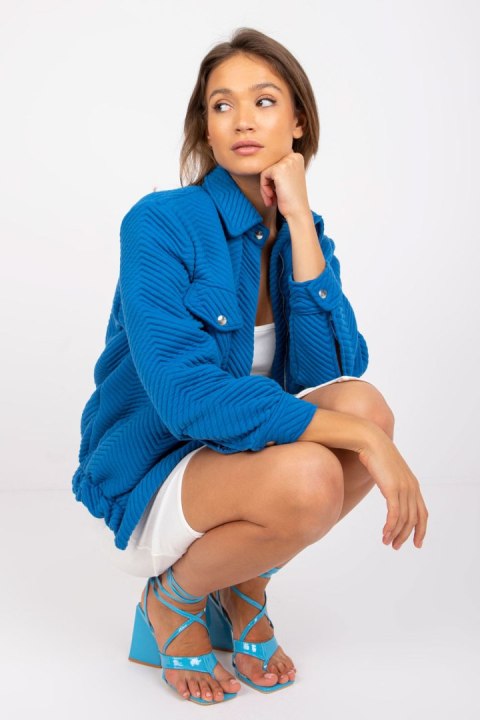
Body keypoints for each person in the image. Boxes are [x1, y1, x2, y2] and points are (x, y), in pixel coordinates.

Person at [72, 27, 429, 705]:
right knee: (319, 467)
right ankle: (174, 600)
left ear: (298, 121)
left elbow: (332, 375)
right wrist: (364, 441)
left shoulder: (301, 230)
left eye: (264, 101)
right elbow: (186, 399)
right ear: (205, 127)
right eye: (222, 105)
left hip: (243, 460)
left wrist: (299, 221)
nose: (241, 120)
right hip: (158, 470)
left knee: (365, 406)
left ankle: (241, 589)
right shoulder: (160, 223)